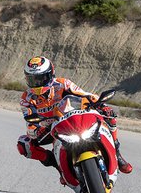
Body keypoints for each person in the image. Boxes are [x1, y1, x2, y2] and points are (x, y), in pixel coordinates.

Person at [16, 56, 133, 184]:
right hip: (50, 128)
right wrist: (36, 130)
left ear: (50, 74)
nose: (37, 83)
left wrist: (99, 103)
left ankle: (117, 154)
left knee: (108, 112)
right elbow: (29, 121)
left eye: (41, 78)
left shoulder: (63, 83)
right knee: (24, 145)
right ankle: (60, 169)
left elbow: (85, 95)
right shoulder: (26, 98)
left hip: (71, 118)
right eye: (33, 79)